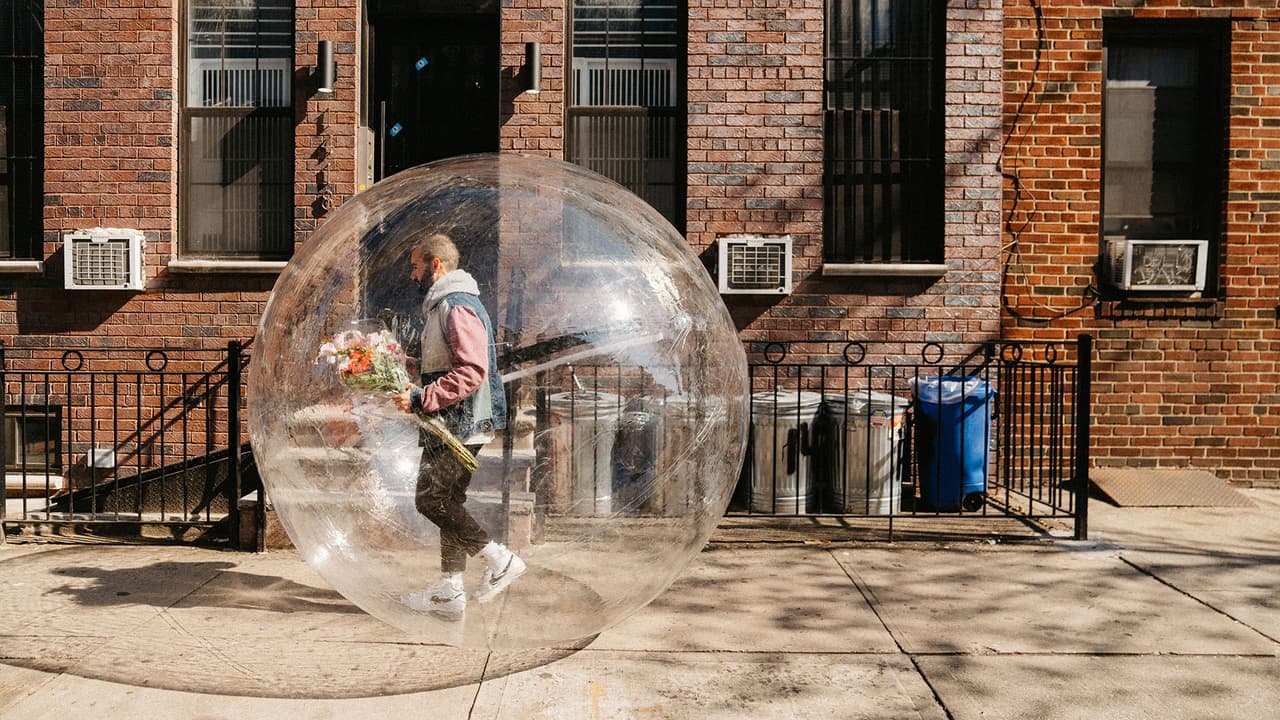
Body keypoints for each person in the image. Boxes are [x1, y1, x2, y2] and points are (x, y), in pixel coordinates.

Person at [392, 233, 524, 619]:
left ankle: (499, 560)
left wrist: (421, 398)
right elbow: (451, 363)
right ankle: (450, 591)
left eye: (416, 266)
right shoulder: (441, 306)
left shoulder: (456, 306)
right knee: (449, 502)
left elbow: (471, 371)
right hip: (451, 422)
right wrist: (411, 369)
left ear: (436, 265)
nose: (411, 274)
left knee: (430, 500)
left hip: (461, 424)